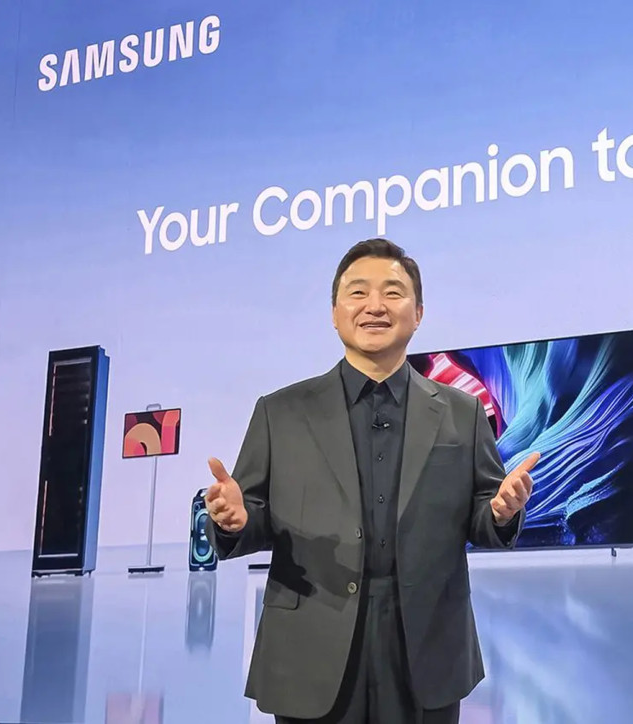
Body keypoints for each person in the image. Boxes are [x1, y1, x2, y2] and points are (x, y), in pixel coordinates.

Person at [204, 238, 538, 723]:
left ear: (418, 313)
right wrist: (233, 520)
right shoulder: (280, 412)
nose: (375, 306)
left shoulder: (462, 412)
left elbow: (482, 516)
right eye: (358, 292)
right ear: (335, 313)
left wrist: (502, 512)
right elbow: (253, 518)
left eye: (393, 293)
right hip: (310, 646)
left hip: (426, 649)